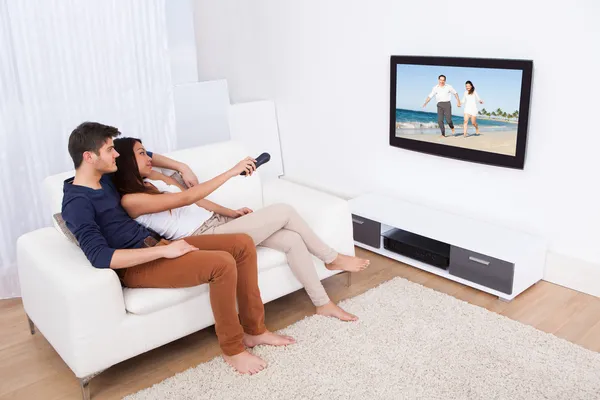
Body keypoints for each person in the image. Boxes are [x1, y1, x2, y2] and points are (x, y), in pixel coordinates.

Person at [61, 121, 296, 376]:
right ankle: (233, 349)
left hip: (160, 245)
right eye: (109, 149)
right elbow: (100, 256)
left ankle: (255, 330)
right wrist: (162, 252)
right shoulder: (76, 203)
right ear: (89, 157)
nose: (116, 153)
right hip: (136, 266)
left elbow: (145, 155)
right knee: (221, 264)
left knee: (242, 243)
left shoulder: (104, 177)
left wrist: (180, 167)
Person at [111, 137, 371, 322]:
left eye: (147, 152)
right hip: (202, 239)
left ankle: (322, 304)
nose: (149, 157)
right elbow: (186, 199)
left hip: (218, 223)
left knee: (291, 239)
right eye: (142, 153)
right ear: (125, 163)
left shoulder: (153, 179)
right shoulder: (131, 201)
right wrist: (232, 171)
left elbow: (197, 202)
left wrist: (228, 211)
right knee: (284, 211)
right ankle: (331, 258)